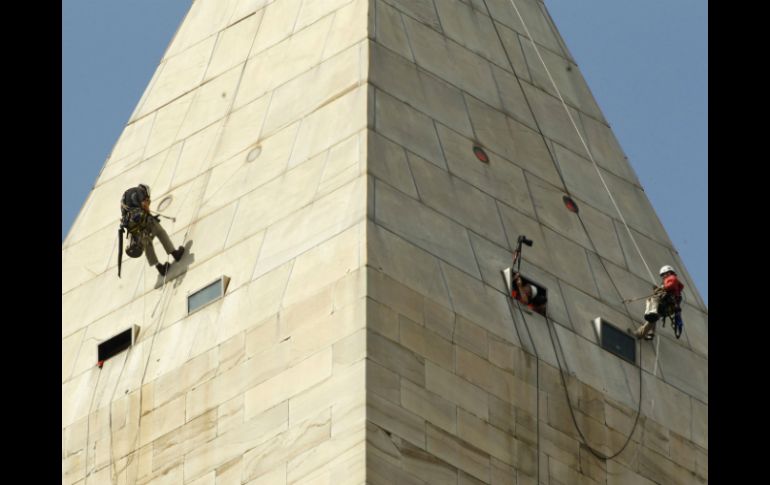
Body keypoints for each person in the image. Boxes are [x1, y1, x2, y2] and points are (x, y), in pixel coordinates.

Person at [120, 184, 184, 276]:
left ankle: (159, 267)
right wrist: (149, 215)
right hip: (141, 219)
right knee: (159, 231)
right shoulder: (140, 193)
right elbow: (144, 206)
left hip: (133, 226)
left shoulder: (126, 198)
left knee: (147, 243)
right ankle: (175, 254)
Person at [635, 265, 684, 340]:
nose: (663, 276)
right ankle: (648, 333)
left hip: (668, 302)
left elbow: (670, 285)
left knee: (652, 299)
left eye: (664, 274)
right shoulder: (671, 281)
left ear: (668, 273)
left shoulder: (672, 278)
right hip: (668, 306)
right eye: (662, 275)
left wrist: (661, 288)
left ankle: (652, 312)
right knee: (652, 319)